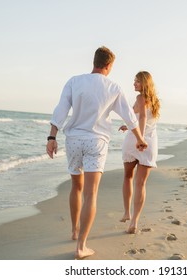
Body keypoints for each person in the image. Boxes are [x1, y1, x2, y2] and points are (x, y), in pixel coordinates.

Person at [46, 46, 147, 259]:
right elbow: (129, 117)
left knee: (76, 187)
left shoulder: (74, 81)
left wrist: (52, 137)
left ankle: (74, 231)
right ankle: (81, 246)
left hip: (73, 140)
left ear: (94, 61)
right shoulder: (113, 87)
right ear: (109, 66)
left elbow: (61, 110)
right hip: (97, 142)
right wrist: (139, 139)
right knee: (91, 193)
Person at [118, 71, 160, 234]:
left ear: (144, 83)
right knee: (141, 183)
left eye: (137, 81)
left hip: (137, 141)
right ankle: (134, 221)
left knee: (128, 177)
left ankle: (127, 212)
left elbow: (142, 117)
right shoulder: (155, 101)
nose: (134, 84)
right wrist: (128, 126)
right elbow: (142, 119)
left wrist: (139, 139)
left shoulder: (140, 98)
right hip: (151, 142)